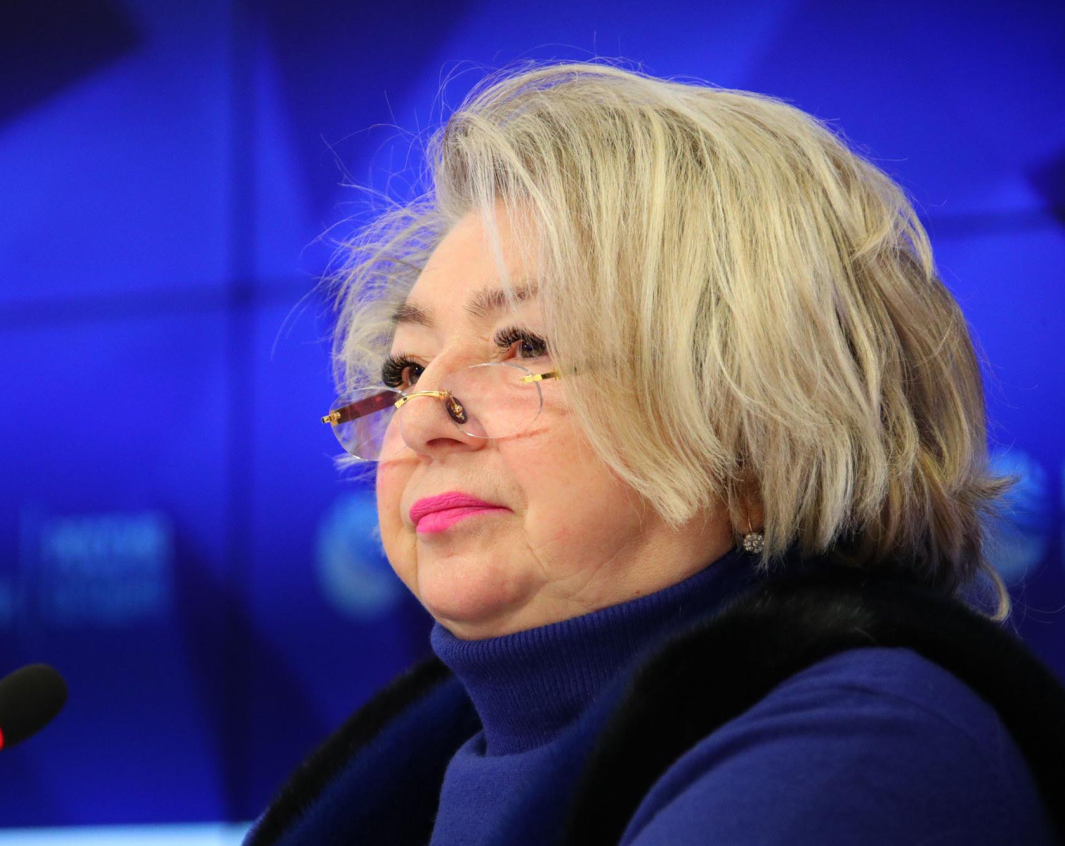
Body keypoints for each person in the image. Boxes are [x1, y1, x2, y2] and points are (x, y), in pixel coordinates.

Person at [245, 61, 1064, 845]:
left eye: (525, 345)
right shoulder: (418, 770)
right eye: (406, 370)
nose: (422, 417)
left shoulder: (866, 747)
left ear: (758, 427)